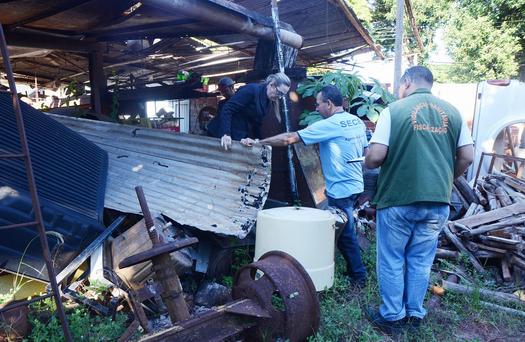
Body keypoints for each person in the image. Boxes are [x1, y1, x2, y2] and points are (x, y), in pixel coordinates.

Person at [364, 66, 474, 335]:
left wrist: (367, 160)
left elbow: (376, 156)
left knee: (392, 258)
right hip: (437, 201)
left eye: (400, 85)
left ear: (407, 82)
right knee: (421, 260)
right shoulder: (454, 112)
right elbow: (468, 156)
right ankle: (414, 314)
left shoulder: (395, 110)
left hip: (399, 199)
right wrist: (447, 178)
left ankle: (391, 316)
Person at [241, 85, 368, 286]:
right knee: (343, 228)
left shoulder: (330, 125)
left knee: (344, 233)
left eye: (318, 104)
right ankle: (353, 271)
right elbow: (365, 151)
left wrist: (258, 142)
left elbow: (289, 138)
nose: (316, 108)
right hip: (355, 184)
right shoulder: (356, 122)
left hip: (341, 189)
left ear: (329, 103)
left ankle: (358, 276)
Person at [216, 72, 291, 151]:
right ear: (272, 85)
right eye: (279, 93)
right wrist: (225, 134)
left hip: (239, 136)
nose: (279, 97)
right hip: (223, 134)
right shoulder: (251, 90)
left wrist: (258, 142)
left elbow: (256, 123)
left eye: (282, 95)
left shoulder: (268, 100)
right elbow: (227, 108)